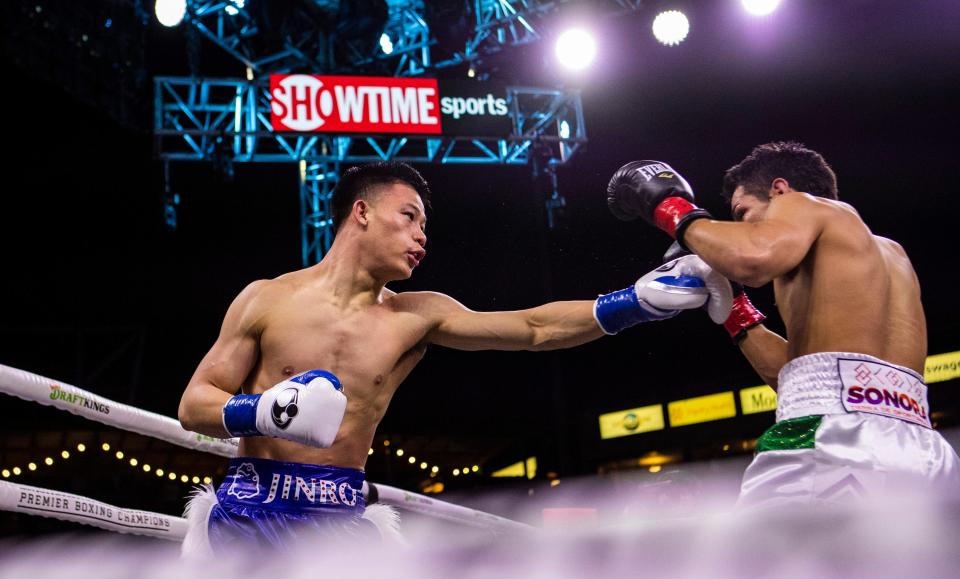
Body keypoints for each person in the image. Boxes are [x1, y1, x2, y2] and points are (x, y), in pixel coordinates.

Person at [178, 161, 731, 553]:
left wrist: (633, 304)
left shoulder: (417, 315)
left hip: (338, 515)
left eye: (425, 225)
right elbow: (194, 403)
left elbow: (532, 328)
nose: (422, 236)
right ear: (362, 212)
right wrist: (261, 413)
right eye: (410, 217)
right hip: (250, 511)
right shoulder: (266, 298)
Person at [607, 142, 960, 508]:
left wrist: (671, 208)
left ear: (779, 189)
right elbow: (809, 383)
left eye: (742, 212)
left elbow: (752, 258)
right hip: (924, 450)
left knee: (755, 564)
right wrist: (735, 310)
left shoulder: (802, 204)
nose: (737, 227)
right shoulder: (893, 255)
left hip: (832, 442)